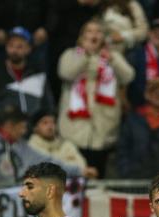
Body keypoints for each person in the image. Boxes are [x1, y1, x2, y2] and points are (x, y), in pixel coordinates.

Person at [58, 19, 135, 177]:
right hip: (74, 132)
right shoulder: (70, 54)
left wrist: (112, 59)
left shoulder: (113, 56)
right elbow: (66, 72)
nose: (94, 35)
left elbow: (129, 76)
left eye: (98, 31)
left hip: (103, 131)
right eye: (90, 31)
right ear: (81, 37)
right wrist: (85, 54)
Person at [0, 105, 90, 191]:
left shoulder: (21, 146)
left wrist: (78, 170)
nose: (24, 131)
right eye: (22, 127)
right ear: (9, 126)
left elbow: (47, 162)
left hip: (12, 199)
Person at [0, 27, 55, 117]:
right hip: (5, 127)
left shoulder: (38, 75)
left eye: (19, 46)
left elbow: (48, 106)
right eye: (11, 45)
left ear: (28, 49)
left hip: (33, 128)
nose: (14, 50)